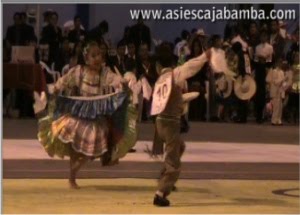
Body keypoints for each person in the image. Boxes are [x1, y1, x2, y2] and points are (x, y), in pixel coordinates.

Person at [34, 41, 139, 189]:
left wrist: (123, 82)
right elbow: (63, 82)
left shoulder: (104, 72)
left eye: (99, 55)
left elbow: (115, 79)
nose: (97, 58)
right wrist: (56, 89)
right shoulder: (79, 71)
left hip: (96, 117)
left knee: (92, 148)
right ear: (86, 58)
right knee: (75, 149)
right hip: (78, 114)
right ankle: (72, 177)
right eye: (93, 55)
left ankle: (75, 171)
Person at [151, 42, 211, 207]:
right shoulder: (174, 74)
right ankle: (160, 193)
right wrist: (205, 56)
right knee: (174, 164)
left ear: (157, 65)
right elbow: (191, 67)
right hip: (170, 124)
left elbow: (166, 100)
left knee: (180, 147)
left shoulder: (160, 79)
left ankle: (165, 177)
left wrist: (186, 97)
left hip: (160, 124)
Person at [266, 60, 286, 125]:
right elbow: (275, 81)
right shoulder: (273, 71)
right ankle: (274, 120)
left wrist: (284, 85)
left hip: (280, 90)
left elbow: (283, 82)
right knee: (276, 106)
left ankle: (279, 119)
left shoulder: (282, 72)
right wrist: (282, 80)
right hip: (275, 90)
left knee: (280, 106)